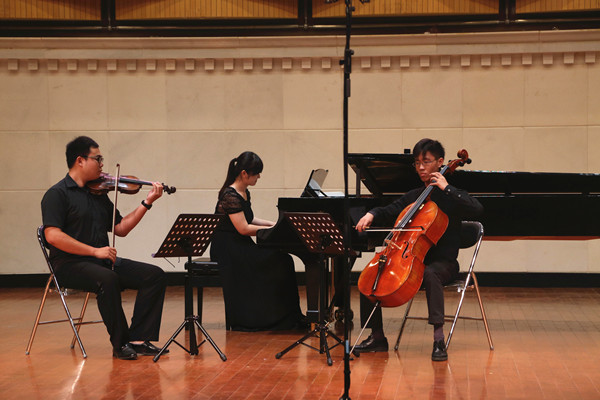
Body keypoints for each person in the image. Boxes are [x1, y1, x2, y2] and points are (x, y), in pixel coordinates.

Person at [354, 138, 483, 361]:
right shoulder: (414, 196)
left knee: (431, 273)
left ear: (440, 162)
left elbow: (477, 208)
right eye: (417, 163)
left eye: (426, 162)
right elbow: (390, 209)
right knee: (372, 274)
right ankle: (377, 337)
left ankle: (438, 340)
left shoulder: (451, 196)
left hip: (443, 263)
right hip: (411, 260)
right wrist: (371, 214)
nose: (421, 167)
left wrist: (447, 187)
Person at [41, 136, 168, 360]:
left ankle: (138, 340)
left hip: (100, 261)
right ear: (80, 160)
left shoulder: (98, 194)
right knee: (108, 279)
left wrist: (147, 203)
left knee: (153, 275)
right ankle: (120, 344)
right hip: (69, 265)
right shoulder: (57, 194)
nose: (102, 164)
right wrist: (94, 251)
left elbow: (121, 228)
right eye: (97, 159)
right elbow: (52, 235)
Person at [210, 151, 306, 331]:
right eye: (256, 173)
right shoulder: (230, 195)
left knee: (283, 259)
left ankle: (288, 315)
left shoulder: (243, 192)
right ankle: (273, 317)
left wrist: (275, 224)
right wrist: (273, 230)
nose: (259, 177)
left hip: (240, 244)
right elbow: (243, 228)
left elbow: (249, 218)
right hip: (228, 248)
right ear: (244, 173)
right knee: (281, 261)